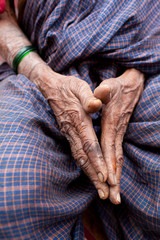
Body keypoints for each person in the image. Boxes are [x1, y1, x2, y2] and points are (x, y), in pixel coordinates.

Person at [0, 0, 159, 239]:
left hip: (148, 63)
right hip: (40, 69)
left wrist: (139, 71)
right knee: (10, 196)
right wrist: (42, 78)